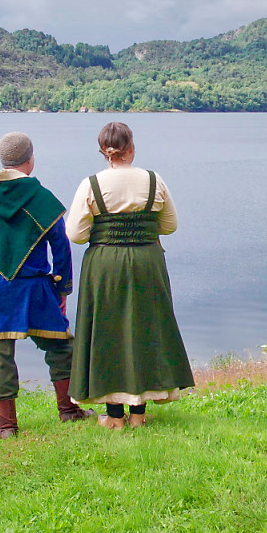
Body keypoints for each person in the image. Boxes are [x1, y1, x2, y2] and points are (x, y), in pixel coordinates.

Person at [0, 132, 94, 436]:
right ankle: (68, 410)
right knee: (61, 347)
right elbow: (61, 246)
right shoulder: (40, 197)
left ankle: (7, 428)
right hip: (34, 288)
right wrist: (62, 288)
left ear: (4, 160)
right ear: (30, 160)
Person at [65, 121, 194, 429]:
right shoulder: (153, 180)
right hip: (147, 261)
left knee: (108, 332)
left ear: (102, 152)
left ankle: (114, 416)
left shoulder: (91, 184)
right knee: (145, 328)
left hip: (105, 263)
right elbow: (170, 225)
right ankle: (139, 413)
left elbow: (76, 234)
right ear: (132, 147)